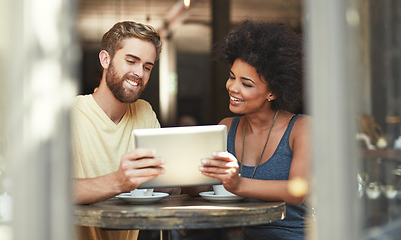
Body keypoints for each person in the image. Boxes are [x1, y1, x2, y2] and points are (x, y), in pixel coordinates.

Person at [199, 20, 310, 239]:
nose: (232, 87)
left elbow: (298, 191)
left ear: (273, 92)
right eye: (232, 77)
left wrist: (237, 184)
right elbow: (203, 187)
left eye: (246, 84)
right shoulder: (227, 127)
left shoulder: (302, 128)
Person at [71, 21, 177, 240]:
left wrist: (176, 181)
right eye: (131, 61)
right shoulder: (69, 114)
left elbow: (162, 180)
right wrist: (120, 181)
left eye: (147, 67)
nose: (139, 73)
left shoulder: (144, 112)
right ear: (105, 59)